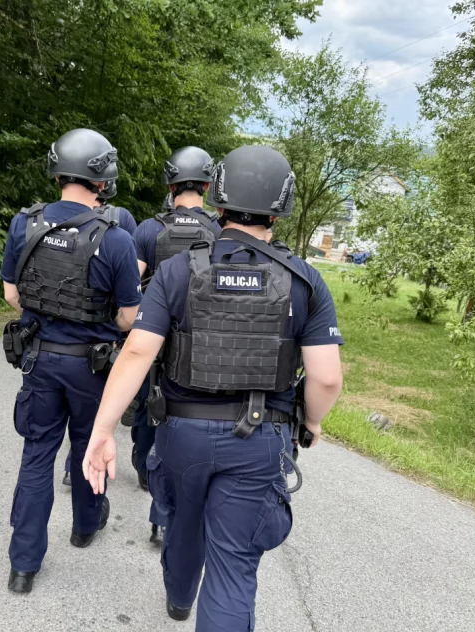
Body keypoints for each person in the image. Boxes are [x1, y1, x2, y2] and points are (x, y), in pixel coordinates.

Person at [82, 145, 344, 631]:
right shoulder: (305, 280)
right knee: (233, 567)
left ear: (218, 200)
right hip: (259, 437)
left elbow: (137, 352)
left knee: (183, 523)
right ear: (280, 208)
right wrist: (311, 423)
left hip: (182, 434)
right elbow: (326, 377)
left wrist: (102, 430)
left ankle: (179, 600)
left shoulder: (180, 269)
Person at [0, 128, 142, 594]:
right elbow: (127, 318)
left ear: (57, 170)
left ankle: (23, 565)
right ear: (102, 179)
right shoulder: (116, 239)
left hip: (39, 360)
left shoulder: (25, 224)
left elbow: (11, 294)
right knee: (88, 446)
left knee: (37, 454)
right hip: (92, 367)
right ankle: (85, 526)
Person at [129, 147, 222, 543]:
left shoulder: (149, 230)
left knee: (148, 405)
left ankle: (142, 466)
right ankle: (162, 519)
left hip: (153, 336)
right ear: (207, 185)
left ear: (171, 185)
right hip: (198, 341)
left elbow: (133, 288)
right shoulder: (220, 232)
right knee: (179, 414)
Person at [62, 177, 137, 486]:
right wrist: (112, 328)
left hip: (46, 348)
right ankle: (87, 518)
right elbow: (129, 309)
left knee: (39, 447)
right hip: (97, 348)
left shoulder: (44, 222)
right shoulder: (121, 225)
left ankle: (71, 469)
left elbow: (14, 295)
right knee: (89, 425)